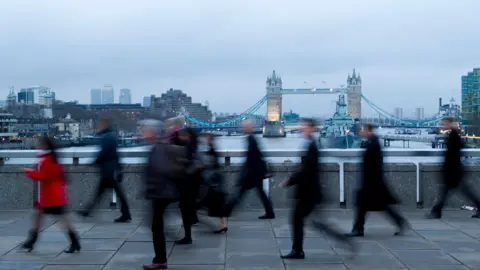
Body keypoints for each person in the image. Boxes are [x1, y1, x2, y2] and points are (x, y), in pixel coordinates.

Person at [279, 118, 351, 259]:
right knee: (316, 223)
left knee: (297, 219)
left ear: (311, 128)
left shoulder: (312, 146)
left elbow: (307, 170)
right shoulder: (310, 144)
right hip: (310, 192)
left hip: (309, 192)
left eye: (304, 126)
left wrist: (290, 180)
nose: (301, 128)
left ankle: (298, 251)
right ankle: (342, 240)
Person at [345, 124, 408, 237]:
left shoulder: (374, 144)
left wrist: (369, 181)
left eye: (363, 130)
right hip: (372, 182)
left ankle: (358, 229)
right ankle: (359, 229)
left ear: (369, 131)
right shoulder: (373, 142)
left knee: (371, 206)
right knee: (369, 206)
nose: (361, 132)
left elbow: (373, 165)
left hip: (372, 182)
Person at [21, 136, 81, 253]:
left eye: (40, 144)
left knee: (61, 219)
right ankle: (31, 241)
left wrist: (29, 172)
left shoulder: (48, 160)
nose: (38, 146)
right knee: (41, 216)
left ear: (45, 146)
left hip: (51, 196)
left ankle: (74, 242)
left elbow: (44, 176)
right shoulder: (50, 158)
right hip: (51, 195)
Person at [141, 119, 186, 270]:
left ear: (153, 132)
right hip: (162, 192)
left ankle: (160, 260)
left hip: (161, 193)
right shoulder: (160, 146)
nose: (143, 132)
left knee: (156, 226)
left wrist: (152, 187)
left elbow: (162, 170)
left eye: (145, 130)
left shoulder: (158, 148)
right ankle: (160, 258)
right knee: (156, 225)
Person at [77, 118, 132, 223]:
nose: (99, 126)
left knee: (103, 193)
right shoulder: (111, 136)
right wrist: (119, 168)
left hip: (108, 170)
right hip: (111, 169)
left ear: (104, 125)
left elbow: (104, 152)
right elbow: (115, 154)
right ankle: (125, 214)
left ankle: (87, 211)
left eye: (100, 125)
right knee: (108, 193)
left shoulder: (107, 137)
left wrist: (94, 162)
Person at [426, 117, 480, 219]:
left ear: (451, 124)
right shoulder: (454, 135)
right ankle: (436, 212)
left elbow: (452, 154)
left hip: (453, 170)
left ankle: (436, 212)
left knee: (447, 192)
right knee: (452, 192)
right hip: (454, 170)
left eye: (445, 124)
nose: (443, 126)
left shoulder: (454, 135)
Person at [226, 120, 275, 219]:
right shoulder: (252, 138)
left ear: (249, 128)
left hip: (253, 173)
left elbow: (252, 157)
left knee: (241, 192)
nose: (243, 128)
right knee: (260, 193)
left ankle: (227, 211)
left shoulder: (251, 139)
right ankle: (270, 213)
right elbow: (259, 155)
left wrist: (244, 172)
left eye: (245, 127)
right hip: (256, 172)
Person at [173, 127, 203, 245]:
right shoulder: (193, 146)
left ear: (188, 136)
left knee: (185, 208)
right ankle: (189, 232)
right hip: (192, 183)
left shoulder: (189, 148)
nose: (180, 137)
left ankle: (188, 236)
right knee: (186, 208)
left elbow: (188, 165)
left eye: (182, 135)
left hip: (188, 183)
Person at [202, 133, 228, 233]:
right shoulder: (213, 149)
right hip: (216, 181)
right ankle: (223, 224)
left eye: (207, 138)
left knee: (211, 203)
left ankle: (222, 225)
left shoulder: (211, 150)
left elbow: (210, 165)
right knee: (218, 204)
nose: (206, 140)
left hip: (213, 182)